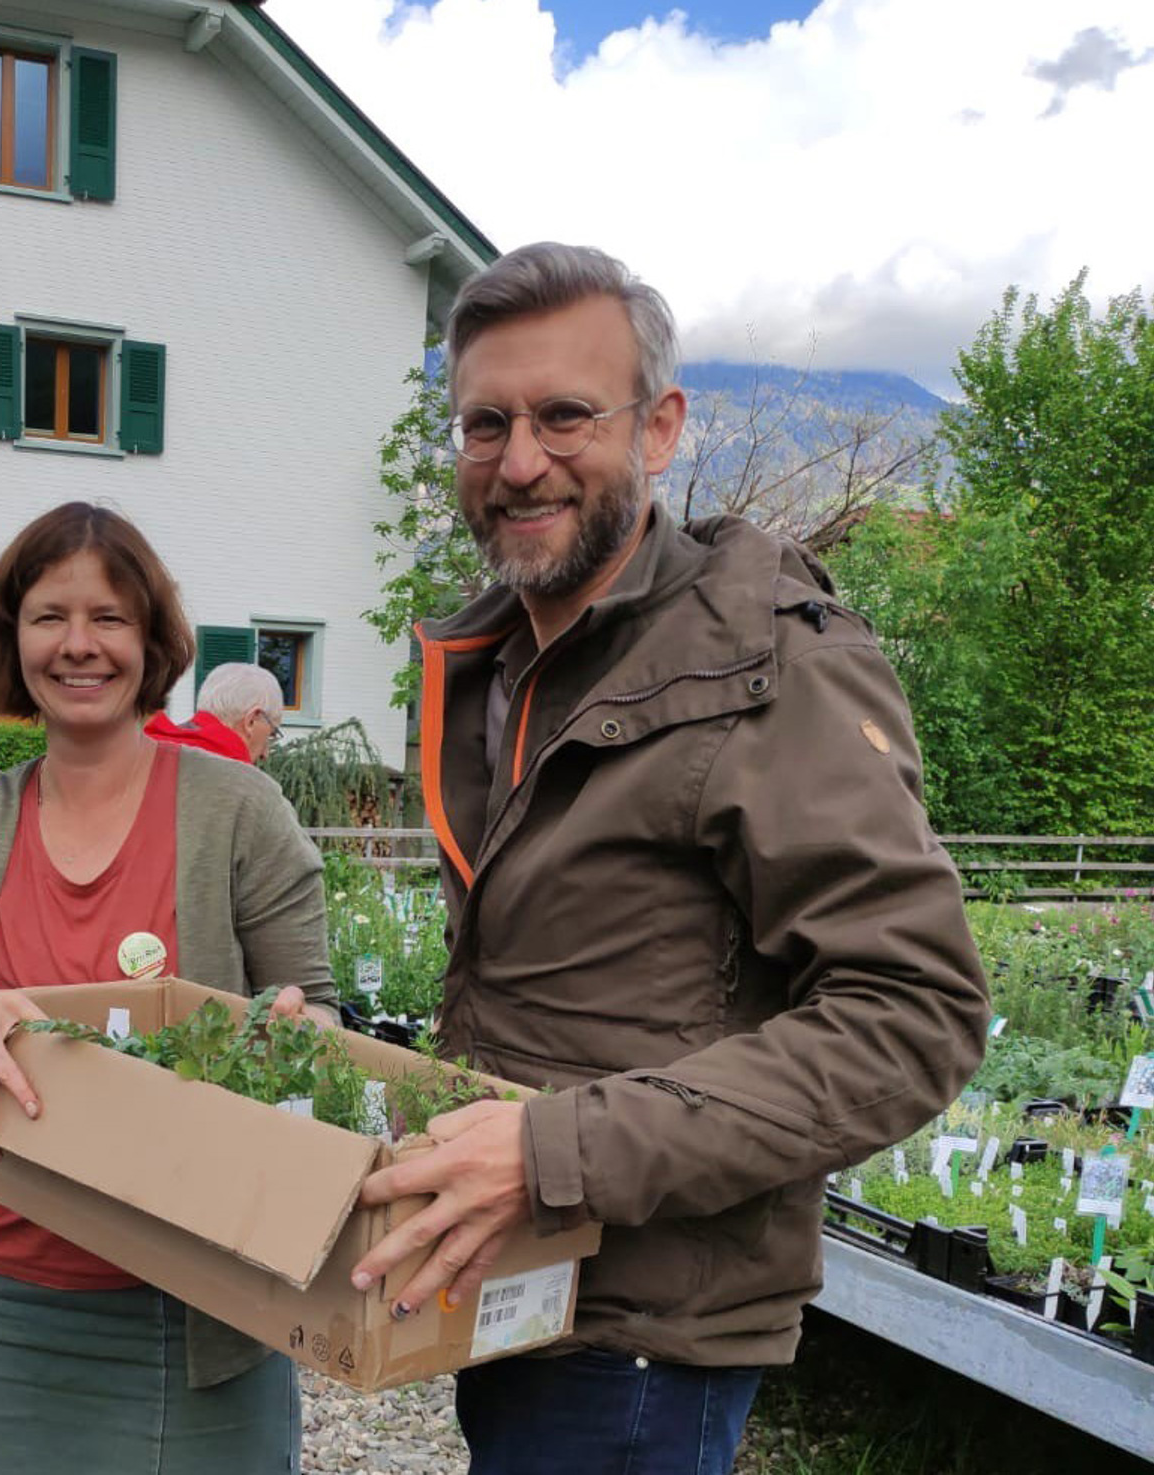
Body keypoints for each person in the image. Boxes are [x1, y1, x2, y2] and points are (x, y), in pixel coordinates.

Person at [348, 243, 991, 1475]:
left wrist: (547, 1153)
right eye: (485, 424)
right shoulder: (504, 661)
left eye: (564, 415)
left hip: (644, 1337)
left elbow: (915, 1014)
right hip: (530, 1289)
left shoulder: (770, 662)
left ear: (659, 429)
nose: (519, 461)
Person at [0, 502, 335, 1475]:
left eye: (109, 616)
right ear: (11, 637)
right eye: (49, 615)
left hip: (201, 1307)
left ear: (151, 638)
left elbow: (314, 999)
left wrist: (296, 1032)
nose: (79, 644)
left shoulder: (240, 811)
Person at [145, 661, 285, 762]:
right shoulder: (237, 777)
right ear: (251, 721)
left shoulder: (144, 748)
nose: (265, 754)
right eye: (271, 734)